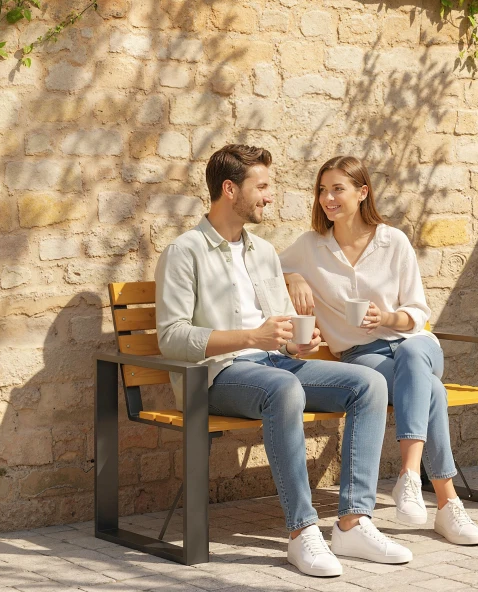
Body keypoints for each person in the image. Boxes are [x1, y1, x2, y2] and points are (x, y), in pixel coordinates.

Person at [155, 144, 412, 577]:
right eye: (263, 186)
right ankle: (302, 531)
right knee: (284, 389)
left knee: (368, 385)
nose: (270, 196)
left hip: (276, 367)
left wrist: (296, 342)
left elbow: (279, 329)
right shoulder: (185, 252)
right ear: (230, 188)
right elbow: (172, 337)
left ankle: (352, 522)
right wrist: (250, 337)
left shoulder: (263, 252)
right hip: (219, 376)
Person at [280, 155, 478, 546]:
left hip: (414, 343)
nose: (328, 198)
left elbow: (418, 314)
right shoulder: (310, 246)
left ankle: (408, 474)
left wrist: (387, 318)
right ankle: (446, 503)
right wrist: (292, 277)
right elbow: (263, 268)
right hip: (363, 355)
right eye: (322, 190)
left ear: (362, 192)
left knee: (413, 358)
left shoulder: (393, 241)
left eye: (338, 189)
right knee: (433, 391)